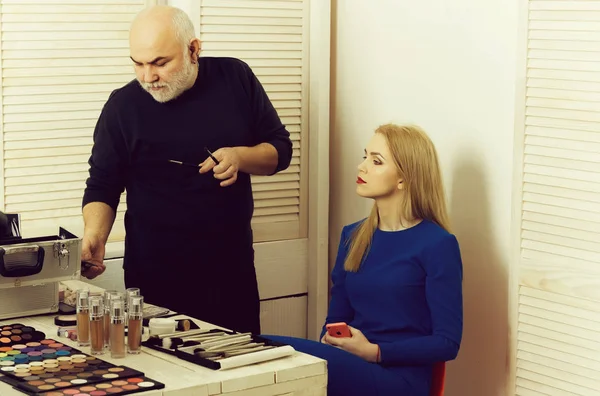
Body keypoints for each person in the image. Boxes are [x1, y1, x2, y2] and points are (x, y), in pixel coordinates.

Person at [80, 5, 293, 335]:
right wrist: (95, 236)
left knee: (238, 381)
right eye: (138, 63)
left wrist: (240, 157)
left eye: (160, 63)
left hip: (230, 273)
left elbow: (280, 150)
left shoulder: (235, 77)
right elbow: (103, 184)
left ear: (193, 49)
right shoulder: (122, 106)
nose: (147, 77)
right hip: (153, 279)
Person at [264, 124, 463, 395]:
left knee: (268, 349)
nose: (362, 167)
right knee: (263, 353)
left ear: (404, 178)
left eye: (376, 161)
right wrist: (334, 340)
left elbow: (447, 342)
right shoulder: (353, 236)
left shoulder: (438, 244)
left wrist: (375, 352)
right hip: (353, 365)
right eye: (365, 156)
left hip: (401, 380)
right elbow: (335, 320)